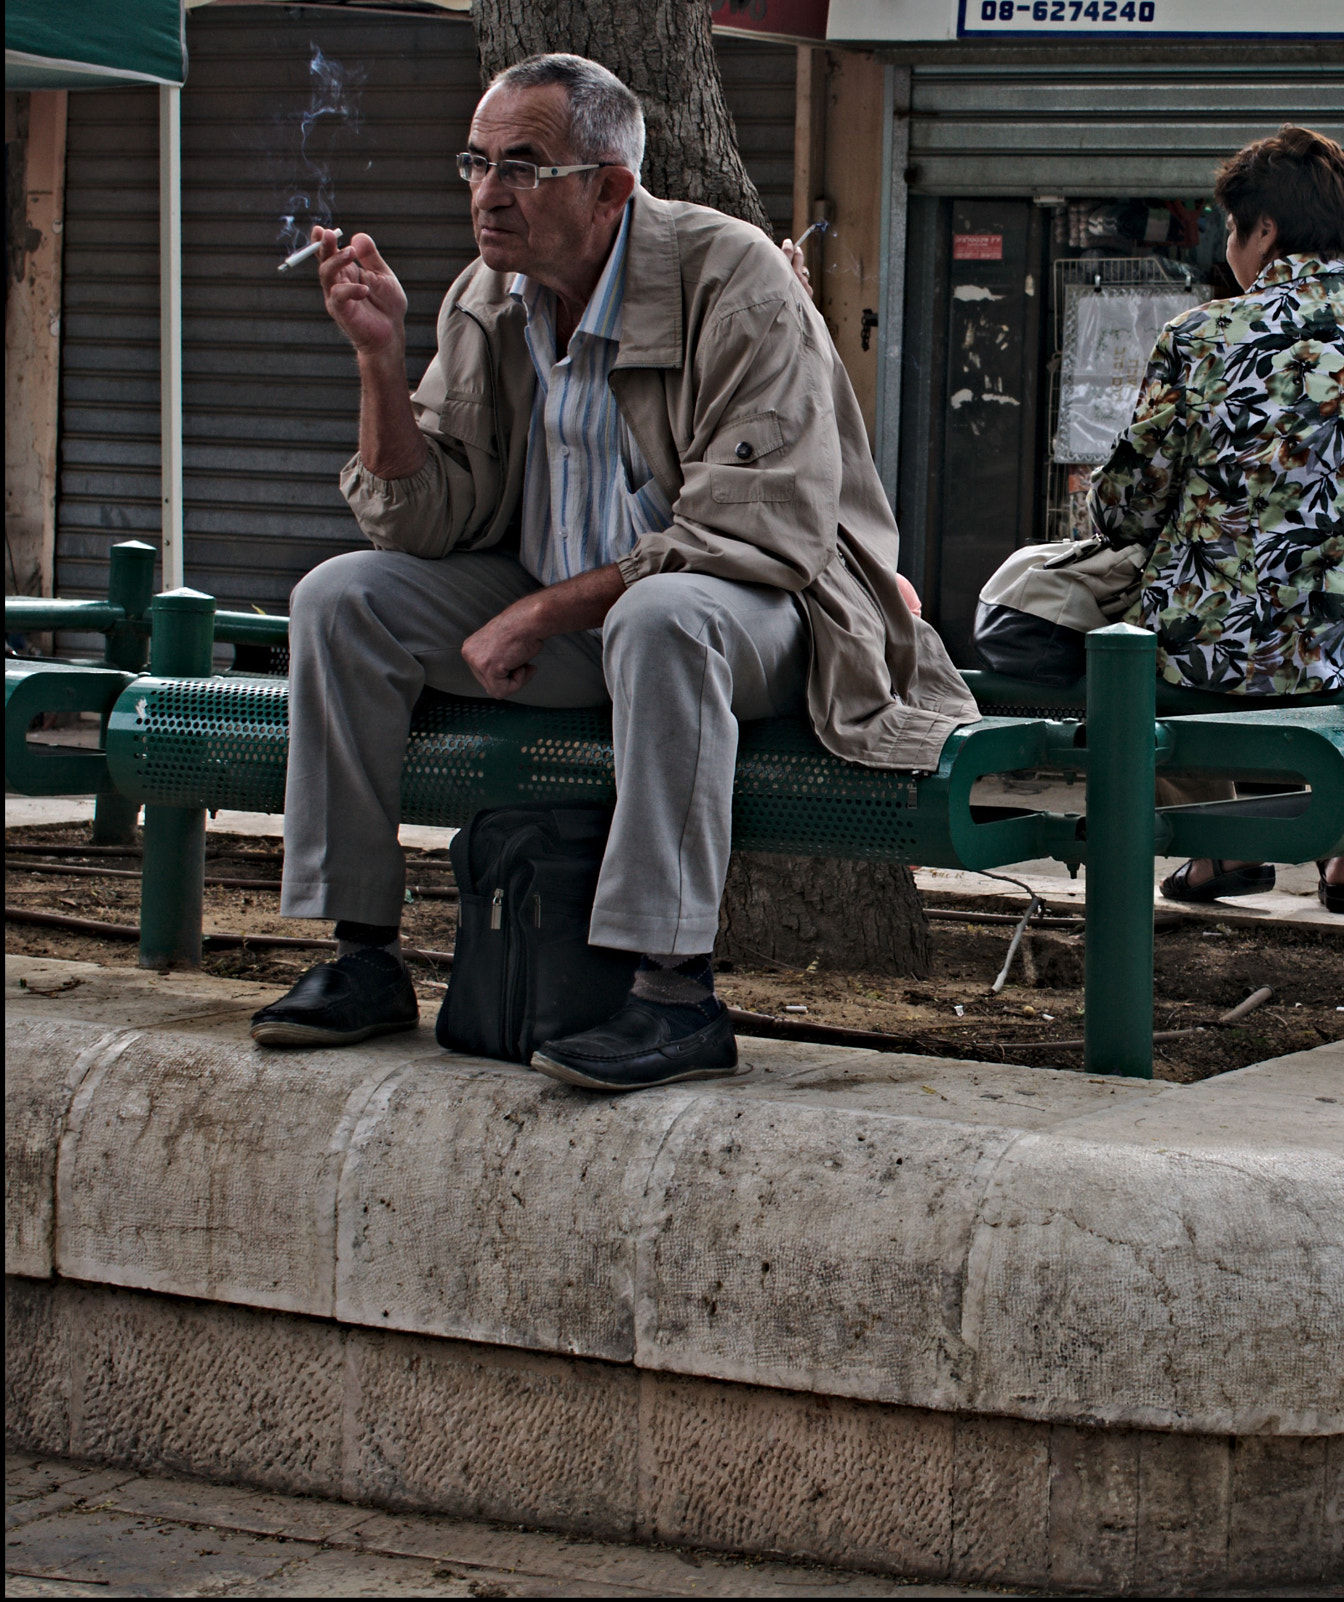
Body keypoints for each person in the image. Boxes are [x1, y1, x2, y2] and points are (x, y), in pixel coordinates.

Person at [250, 53, 976, 1089]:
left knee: (665, 616)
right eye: (476, 161)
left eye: (522, 165)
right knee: (337, 598)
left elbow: (750, 529)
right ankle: (362, 952)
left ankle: (674, 995)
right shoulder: (487, 296)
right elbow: (421, 516)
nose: (488, 191)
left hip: (766, 621)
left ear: (608, 188)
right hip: (562, 618)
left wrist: (547, 609)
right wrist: (377, 357)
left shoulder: (734, 279)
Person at [1091, 126, 1344, 913]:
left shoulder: (1202, 335)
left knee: (1139, 652)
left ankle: (1217, 846)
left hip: (1218, 652)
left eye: (1233, 228)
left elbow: (1129, 505)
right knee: (1322, 654)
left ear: (1262, 230)